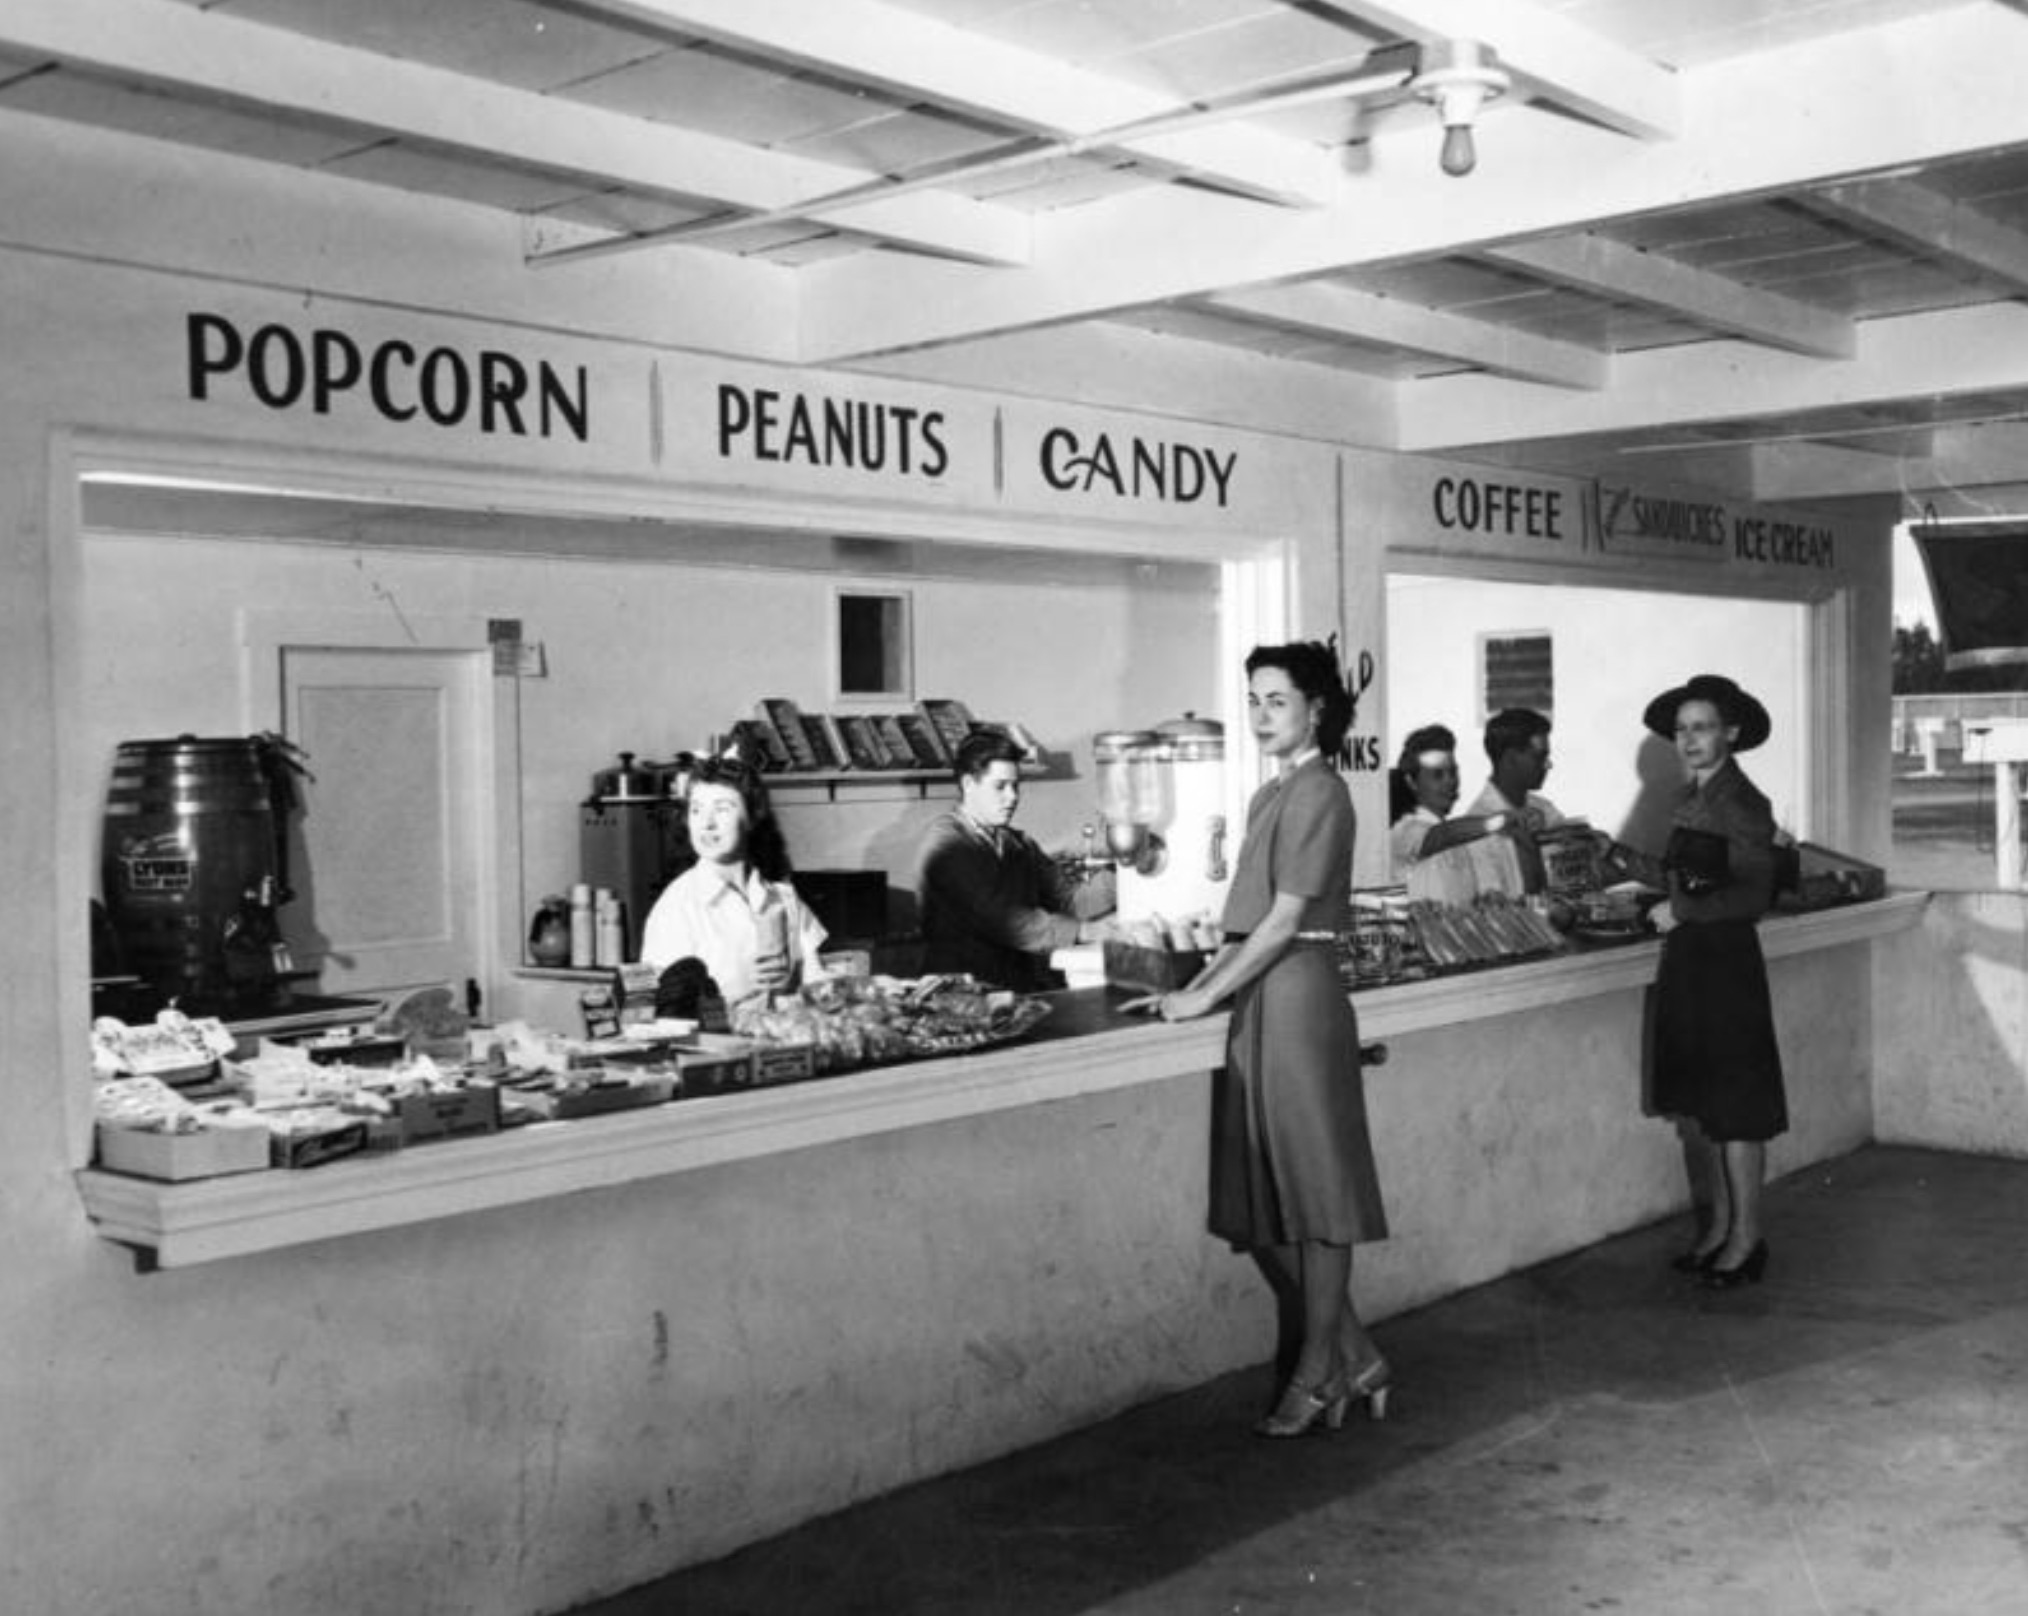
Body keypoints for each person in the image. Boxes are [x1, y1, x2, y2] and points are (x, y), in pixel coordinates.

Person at [1125, 642, 1391, 1439]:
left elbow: (1283, 921)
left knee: (1317, 1199)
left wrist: (1201, 996)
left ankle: (1317, 1372)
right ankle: (1359, 1355)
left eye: (1278, 700)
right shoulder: (1271, 794)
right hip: (1262, 1000)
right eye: (1253, 699)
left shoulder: (1322, 793)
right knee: (1269, 1203)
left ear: (1317, 709)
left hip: (1301, 999)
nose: (1262, 715)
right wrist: (1198, 985)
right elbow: (1248, 924)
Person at [1634, 674, 1788, 1290]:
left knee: (1738, 1111)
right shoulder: (1693, 796)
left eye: (1701, 728)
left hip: (1725, 959)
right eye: (1681, 730)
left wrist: (1681, 912)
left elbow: (1752, 891)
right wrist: (1622, 862)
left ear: (1731, 733)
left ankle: (1748, 1239)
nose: (1689, 739)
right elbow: (1692, 878)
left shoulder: (1741, 803)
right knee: (1707, 1107)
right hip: (1696, 961)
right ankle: (1722, 1230)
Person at [917, 730, 1116, 991]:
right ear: (968, 784)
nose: (1012, 796)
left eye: (1015, 785)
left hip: (1013, 986)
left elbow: (1069, 899)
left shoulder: (1017, 844)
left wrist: (1122, 868)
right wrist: (1085, 932)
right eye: (1000, 786)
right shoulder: (947, 846)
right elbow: (1003, 919)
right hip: (960, 991)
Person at [638, 755, 828, 1006]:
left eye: (722, 809)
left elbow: (818, 982)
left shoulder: (783, 896)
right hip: (718, 1043)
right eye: (696, 810)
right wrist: (742, 991)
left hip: (787, 1038)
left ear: (752, 816)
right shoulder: (677, 906)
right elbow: (664, 1009)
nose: (707, 824)